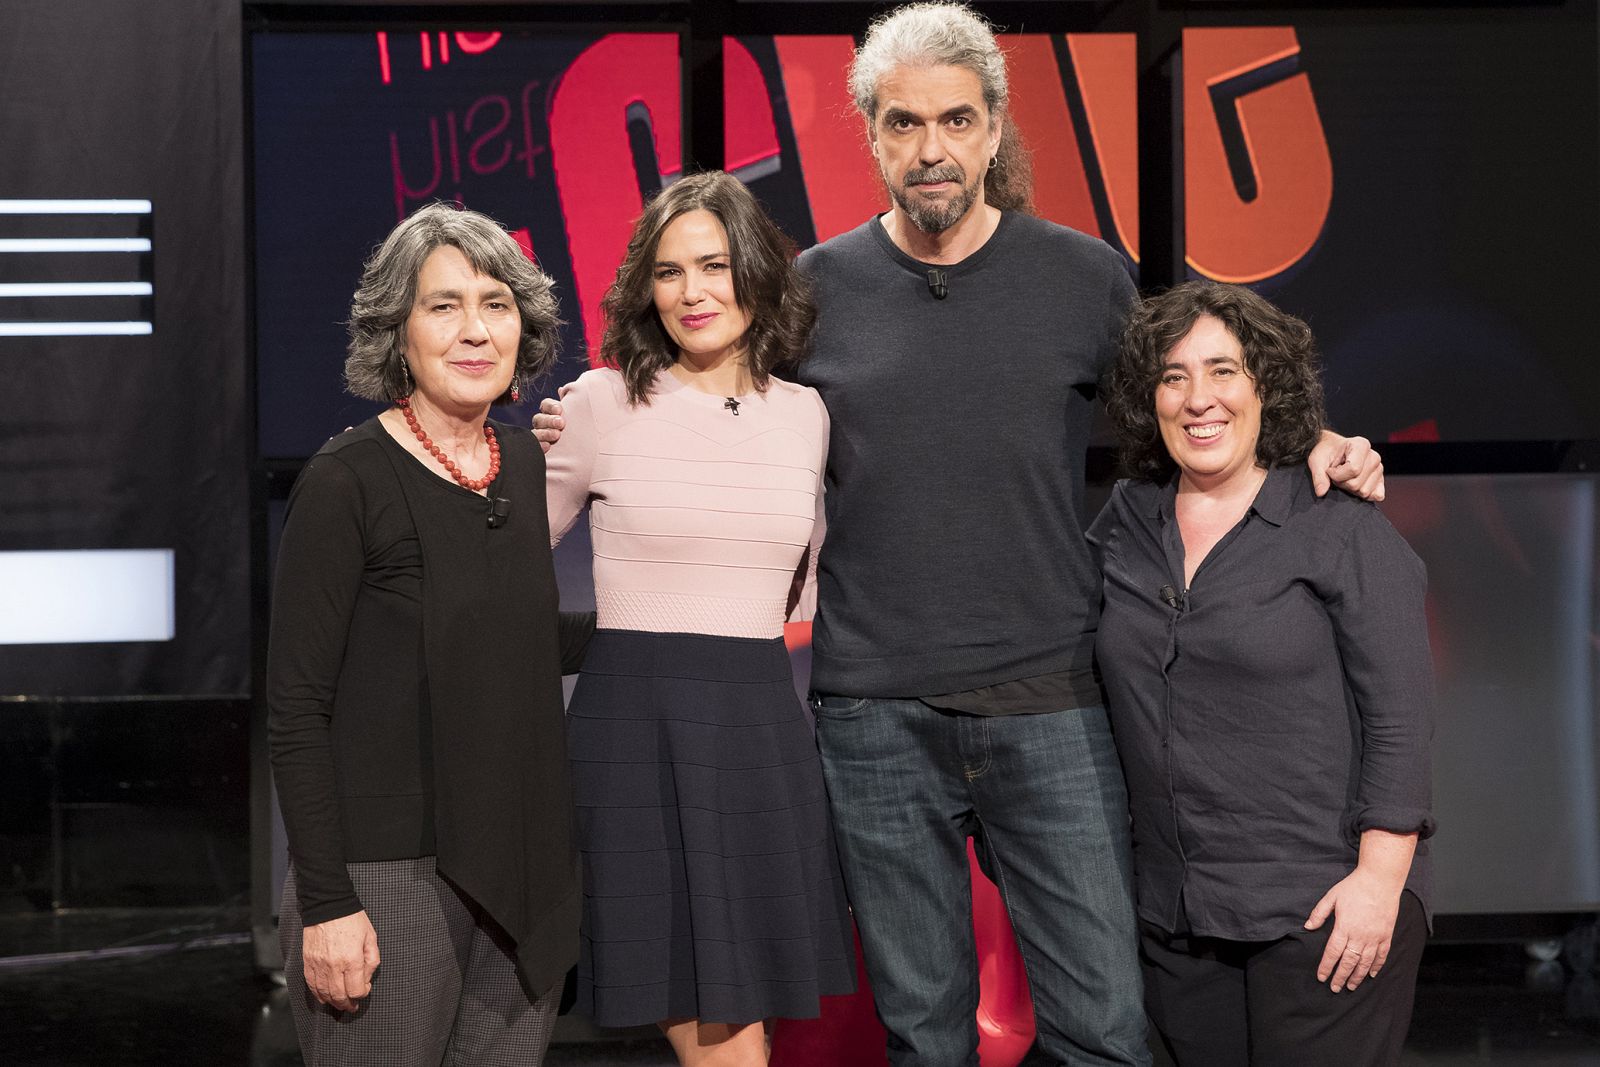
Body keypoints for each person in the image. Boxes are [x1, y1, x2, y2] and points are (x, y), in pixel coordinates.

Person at [537, 5, 1383, 1063]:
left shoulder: (1084, 278)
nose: (929, 148)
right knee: (922, 1036)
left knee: (1104, 1031)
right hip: (872, 714)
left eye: (953, 120)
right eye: (901, 123)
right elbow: (721, 406)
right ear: (870, 135)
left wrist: (1318, 439)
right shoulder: (813, 292)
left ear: (991, 130)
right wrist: (589, 412)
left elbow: (1187, 418)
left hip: (1052, 704)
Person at [268, 203, 594, 1066]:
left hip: (520, 871)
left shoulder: (521, 465)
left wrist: (659, 635)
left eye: (496, 302)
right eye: (443, 305)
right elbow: (296, 707)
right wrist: (329, 904)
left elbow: (511, 637)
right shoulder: (345, 482)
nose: (475, 329)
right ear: (397, 334)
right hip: (386, 881)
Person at [543, 171, 855, 1066]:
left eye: (713, 265)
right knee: (708, 1021)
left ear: (754, 272)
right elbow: (502, 558)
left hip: (759, 723)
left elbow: (801, 584)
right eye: (669, 271)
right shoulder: (601, 402)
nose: (692, 292)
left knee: (743, 1017)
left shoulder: (807, 416)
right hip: (634, 726)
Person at [1090, 281, 1435, 1065]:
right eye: (1173, 376)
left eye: (1223, 371)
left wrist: (1380, 883)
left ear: (1265, 387)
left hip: (1323, 908)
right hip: (1177, 918)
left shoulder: (1335, 521)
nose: (1197, 398)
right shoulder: (1126, 521)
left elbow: (1402, 716)